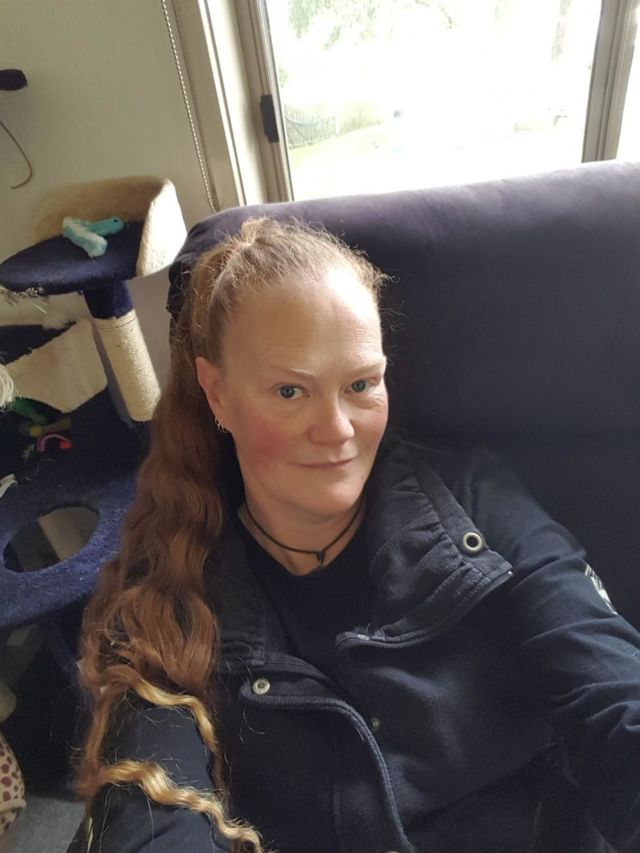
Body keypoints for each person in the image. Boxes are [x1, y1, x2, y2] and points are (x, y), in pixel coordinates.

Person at [73, 217, 640, 853]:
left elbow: (609, 690)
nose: (338, 429)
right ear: (217, 393)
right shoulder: (169, 578)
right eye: (291, 390)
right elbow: (147, 808)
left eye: (361, 384)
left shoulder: (478, 501)